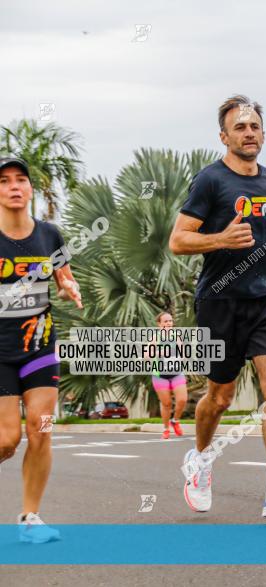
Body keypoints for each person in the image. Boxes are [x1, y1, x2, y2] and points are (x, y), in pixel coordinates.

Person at [168, 95, 266, 519]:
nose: (248, 133)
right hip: (219, 300)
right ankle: (201, 460)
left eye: (254, 126)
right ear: (223, 136)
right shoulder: (209, 180)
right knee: (220, 396)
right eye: (239, 127)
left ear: (263, 134)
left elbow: (258, 229)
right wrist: (219, 240)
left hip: (265, 296)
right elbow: (178, 240)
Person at [0, 157, 83, 542]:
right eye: (4, 181)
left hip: (40, 346)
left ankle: (30, 518)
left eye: (21, 180)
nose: (14, 186)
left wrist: (69, 286)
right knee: (6, 440)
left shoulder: (50, 235)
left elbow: (64, 274)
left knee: (42, 429)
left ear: (30, 189)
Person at [150, 311, 188, 439]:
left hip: (176, 372)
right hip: (159, 374)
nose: (169, 323)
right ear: (159, 324)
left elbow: (183, 354)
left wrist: (181, 358)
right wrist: (159, 352)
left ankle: (175, 421)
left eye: (170, 321)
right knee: (166, 404)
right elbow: (146, 356)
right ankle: (166, 428)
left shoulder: (177, 336)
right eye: (165, 321)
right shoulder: (155, 338)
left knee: (182, 399)